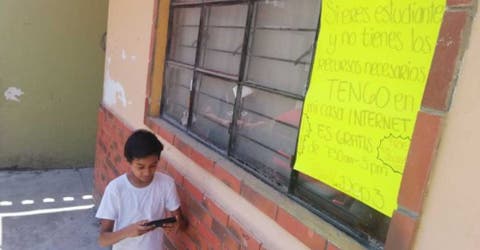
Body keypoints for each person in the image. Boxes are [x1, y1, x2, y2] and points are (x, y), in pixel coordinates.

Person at [96, 129, 186, 249]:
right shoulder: (116, 189)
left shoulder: (166, 184)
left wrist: (176, 224)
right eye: (140, 167)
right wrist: (128, 231)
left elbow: (182, 222)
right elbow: (103, 240)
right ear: (129, 161)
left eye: (153, 165)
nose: (147, 172)